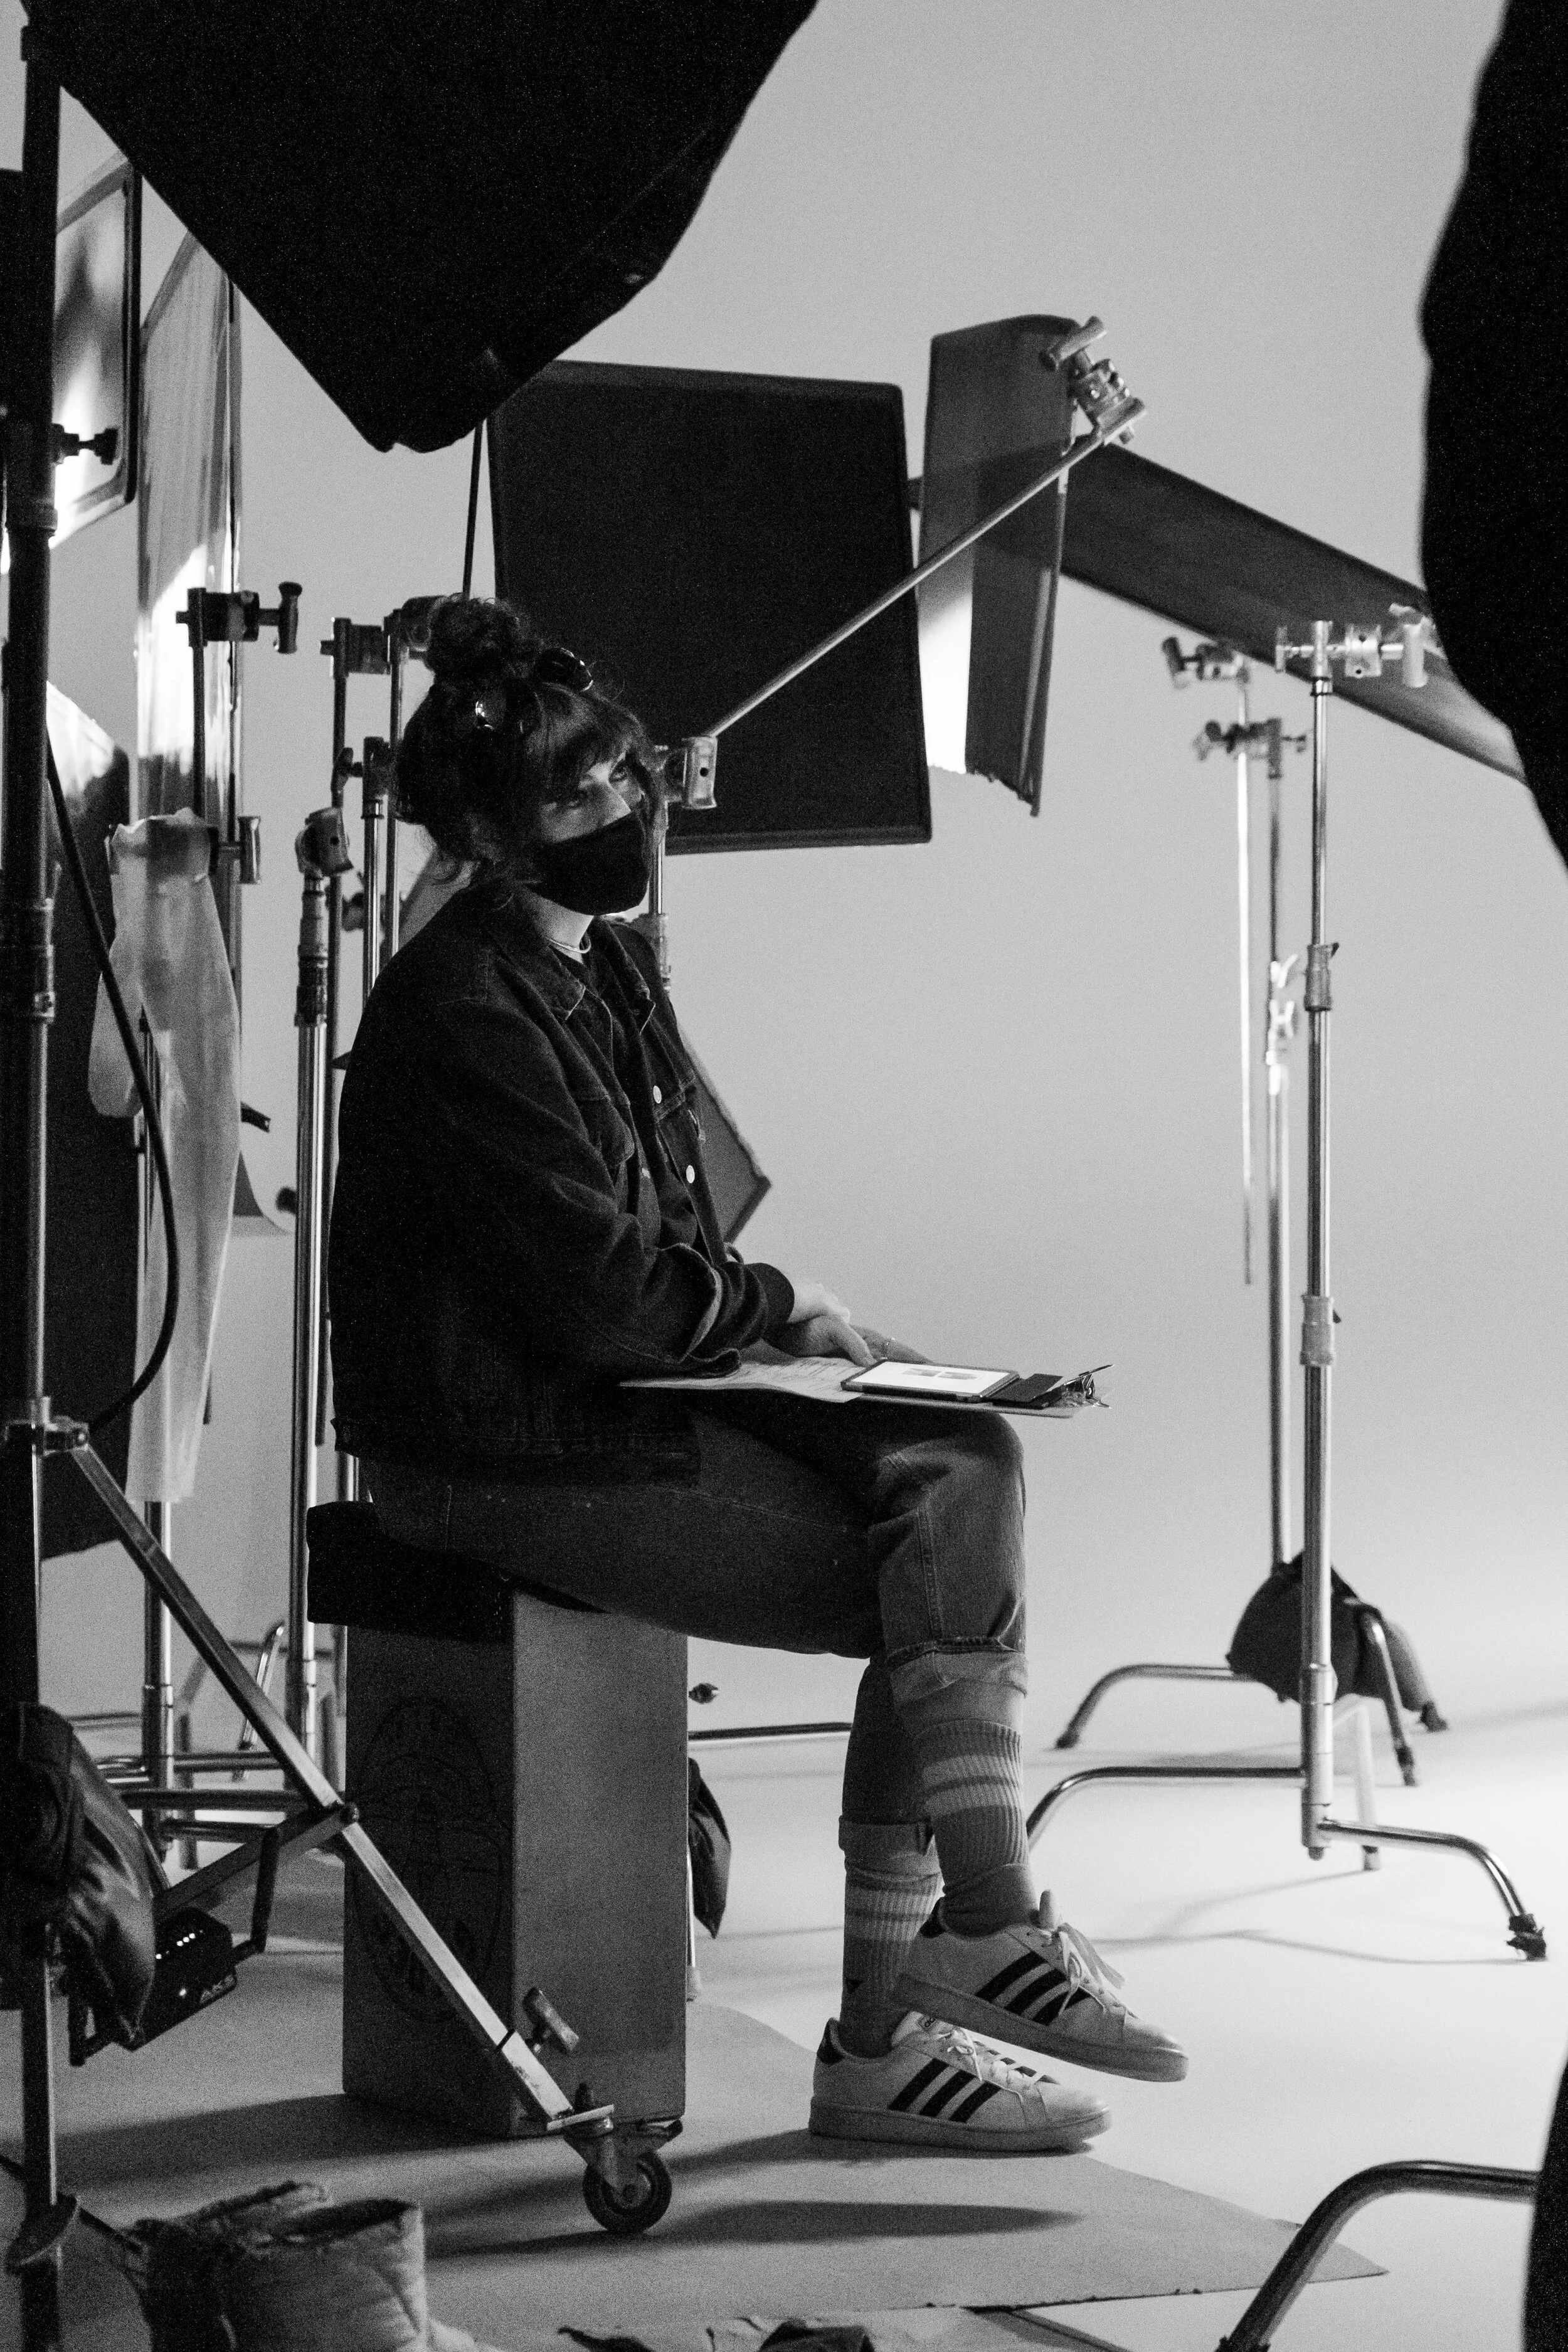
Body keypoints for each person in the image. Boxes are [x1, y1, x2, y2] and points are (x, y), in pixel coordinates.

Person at [329, 595, 1187, 2154]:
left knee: (963, 1464)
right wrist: (776, 1308)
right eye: (570, 801)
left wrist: (792, 1337)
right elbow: (597, 1291)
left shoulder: (599, 962)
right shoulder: (462, 1001)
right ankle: (933, 1980)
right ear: (498, 839)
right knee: (923, 1576)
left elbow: (659, 1229)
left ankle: (927, 1995)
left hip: (607, 1390)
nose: (616, 815)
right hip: (488, 1444)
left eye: (617, 781)